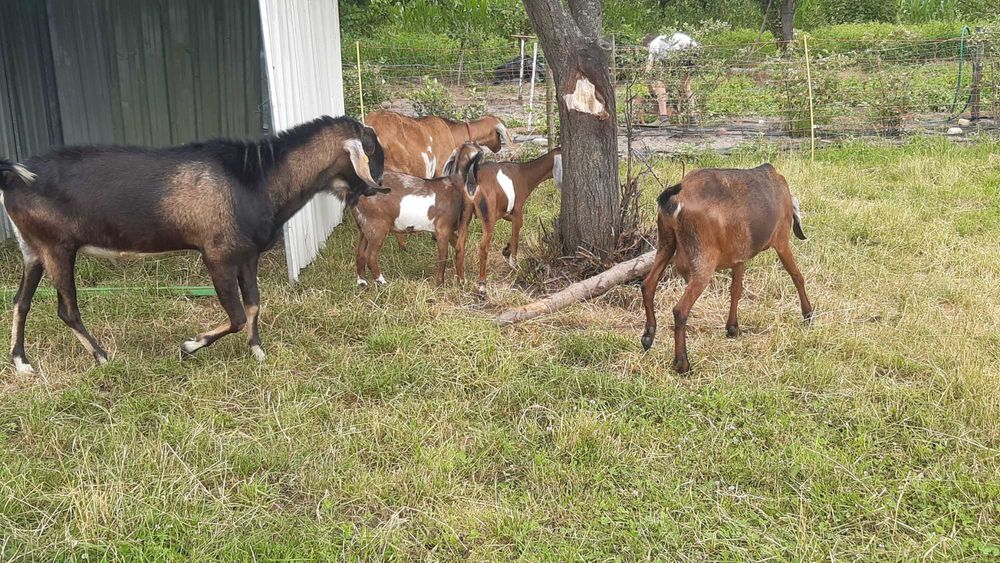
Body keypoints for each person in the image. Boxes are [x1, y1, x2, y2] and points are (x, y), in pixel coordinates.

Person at [643, 32, 699, 125]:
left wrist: (650, 89)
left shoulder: (654, 44)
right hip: (694, 49)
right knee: (685, 85)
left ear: (648, 44)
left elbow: (648, 70)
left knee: (659, 83)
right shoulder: (663, 41)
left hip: (682, 50)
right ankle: (693, 117)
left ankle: (663, 118)